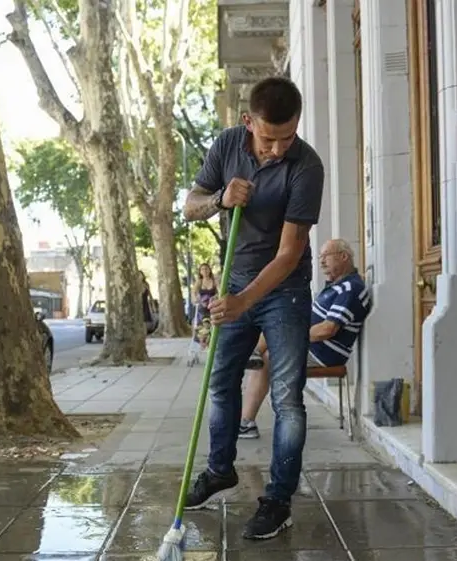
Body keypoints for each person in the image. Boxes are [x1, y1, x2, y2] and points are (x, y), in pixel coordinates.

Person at [181, 76, 324, 540]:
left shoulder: (307, 166)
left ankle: (278, 501)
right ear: (248, 123)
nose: (279, 149)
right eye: (269, 138)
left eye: (288, 137)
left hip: (284, 290)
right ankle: (220, 470)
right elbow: (189, 206)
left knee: (287, 399)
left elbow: (288, 254)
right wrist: (220, 199)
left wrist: (245, 302)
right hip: (232, 279)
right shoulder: (226, 145)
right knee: (221, 383)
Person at [238, 239, 372, 439]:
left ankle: (246, 422)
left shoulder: (350, 289)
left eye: (326, 256)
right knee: (273, 331)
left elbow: (328, 329)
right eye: (319, 257)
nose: (321, 262)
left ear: (343, 257)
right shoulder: (337, 286)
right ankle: (251, 356)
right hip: (311, 347)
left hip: (324, 354)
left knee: (267, 357)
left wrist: (293, 334)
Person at [191, 263, 218, 348]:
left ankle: (209, 341)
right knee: (200, 321)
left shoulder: (214, 281)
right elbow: (193, 293)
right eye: (202, 269)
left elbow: (220, 292)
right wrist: (197, 300)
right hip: (202, 306)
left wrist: (214, 297)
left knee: (211, 323)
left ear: (209, 270)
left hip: (212, 305)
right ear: (200, 272)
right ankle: (202, 341)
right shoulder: (199, 282)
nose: (204, 271)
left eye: (206, 269)